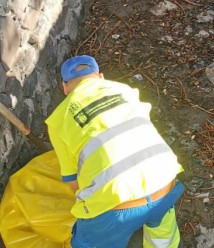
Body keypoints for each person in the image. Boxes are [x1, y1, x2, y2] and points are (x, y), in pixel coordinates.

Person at [46, 55, 183, 248]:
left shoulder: (58, 120)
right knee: (162, 231)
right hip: (165, 182)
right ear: (100, 77)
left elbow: (75, 184)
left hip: (116, 211)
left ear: (65, 87)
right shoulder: (126, 91)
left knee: (88, 242)